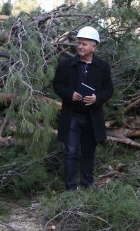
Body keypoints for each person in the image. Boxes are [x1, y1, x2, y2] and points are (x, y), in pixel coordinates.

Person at [53, 26, 113, 190]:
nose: (80, 46)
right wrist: (69, 94)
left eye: (84, 44)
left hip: (92, 117)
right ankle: (70, 189)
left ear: (94, 46)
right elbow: (57, 85)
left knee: (88, 153)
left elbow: (109, 90)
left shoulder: (103, 67)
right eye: (79, 43)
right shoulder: (66, 65)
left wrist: (97, 98)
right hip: (72, 115)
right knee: (71, 153)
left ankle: (87, 186)